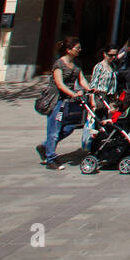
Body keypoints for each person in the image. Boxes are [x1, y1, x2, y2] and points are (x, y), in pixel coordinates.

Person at [37, 38, 90, 170]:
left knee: (69, 127)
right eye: (77, 48)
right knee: (54, 130)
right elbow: (59, 84)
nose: (79, 50)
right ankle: (51, 159)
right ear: (68, 50)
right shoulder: (59, 64)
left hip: (68, 101)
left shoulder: (76, 63)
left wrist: (90, 89)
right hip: (56, 100)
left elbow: (82, 79)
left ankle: (45, 146)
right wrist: (73, 93)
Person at [82, 45, 118, 149]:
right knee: (98, 122)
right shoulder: (99, 67)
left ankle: (104, 144)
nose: (113, 57)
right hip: (99, 97)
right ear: (105, 54)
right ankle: (94, 146)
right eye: (111, 55)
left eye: (115, 55)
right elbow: (93, 84)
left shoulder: (113, 67)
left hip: (109, 97)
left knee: (108, 121)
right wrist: (92, 100)